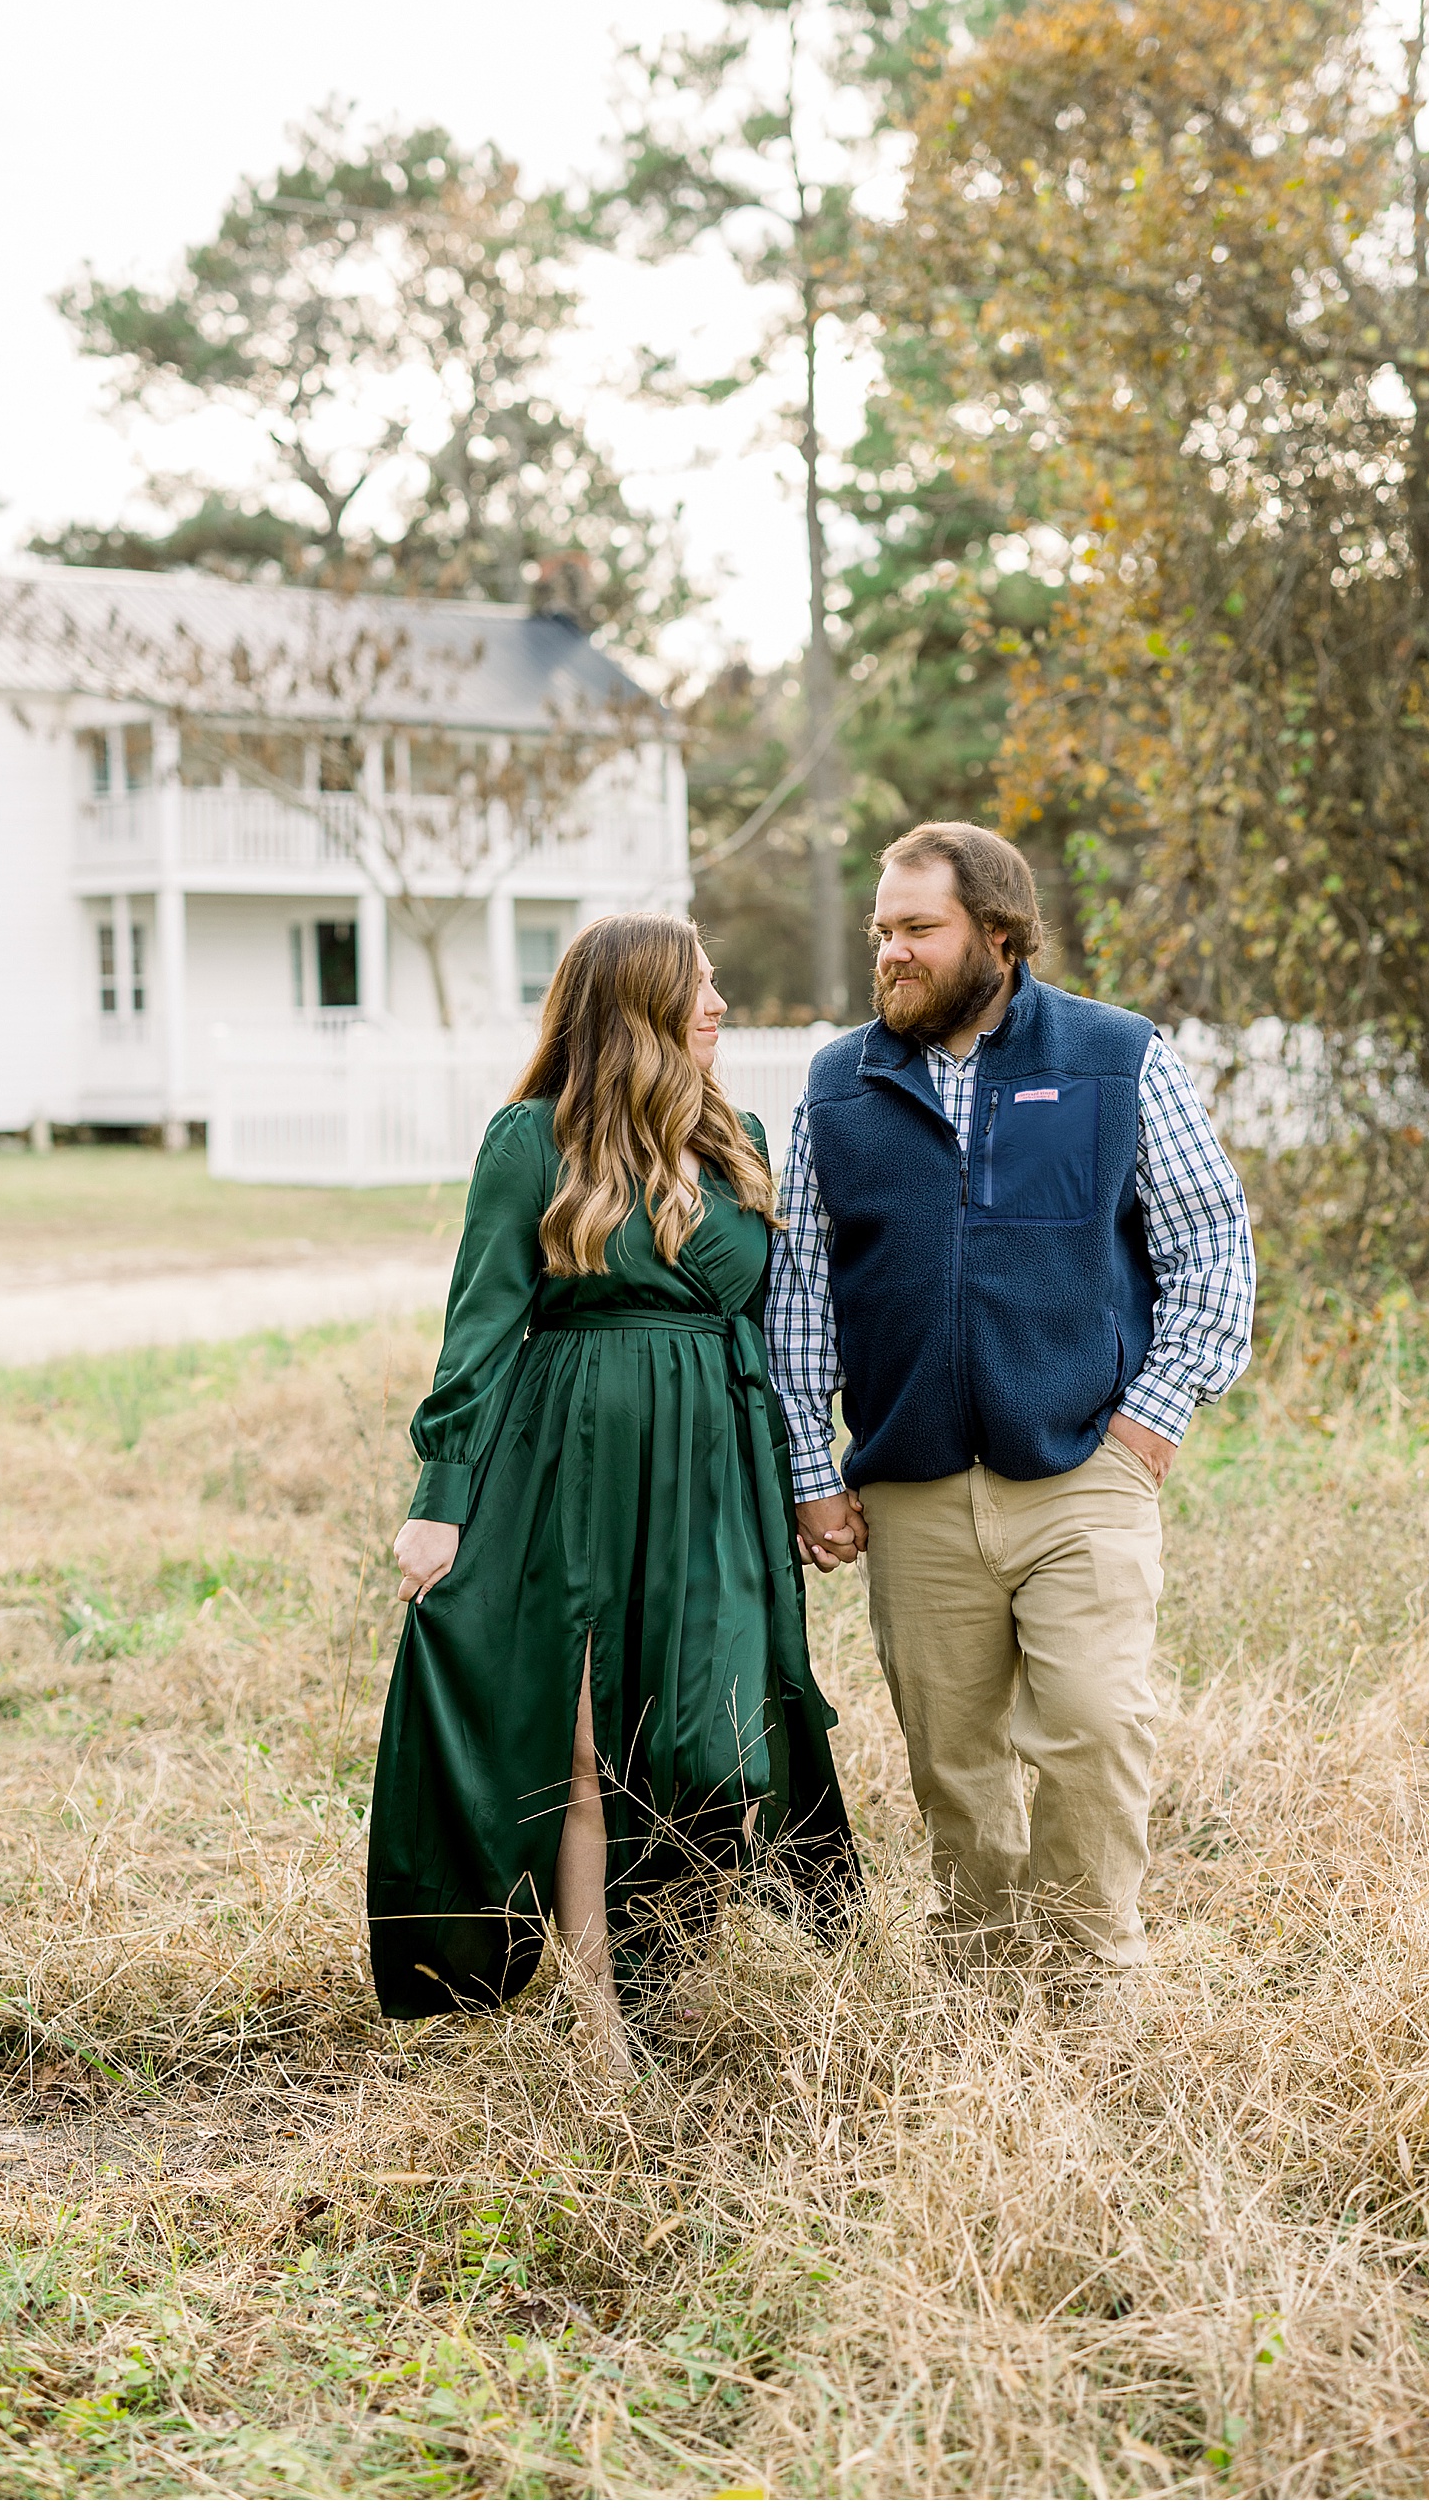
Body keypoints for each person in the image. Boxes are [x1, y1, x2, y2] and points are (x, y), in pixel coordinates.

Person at [368, 914, 858, 2077]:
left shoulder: (730, 1142)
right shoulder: (531, 1141)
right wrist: (440, 1494)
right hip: (572, 1462)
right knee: (593, 1749)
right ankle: (606, 2034)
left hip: (715, 1471)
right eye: (701, 986)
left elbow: (776, 1329)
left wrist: (802, 1474)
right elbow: (479, 1327)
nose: (722, 1005)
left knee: (715, 1743)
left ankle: (660, 1964)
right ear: (638, 1003)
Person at [765, 823, 1255, 1976]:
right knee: (953, 1757)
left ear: (997, 933)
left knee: (1093, 1724)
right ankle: (983, 1972)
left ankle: (1091, 1968)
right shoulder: (842, 1084)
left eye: (918, 928)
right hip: (913, 1486)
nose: (892, 950)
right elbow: (800, 1291)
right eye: (883, 928)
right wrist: (811, 1467)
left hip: (1085, 1462)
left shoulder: (1113, 1054)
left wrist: (1152, 1414)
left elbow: (1211, 1239)